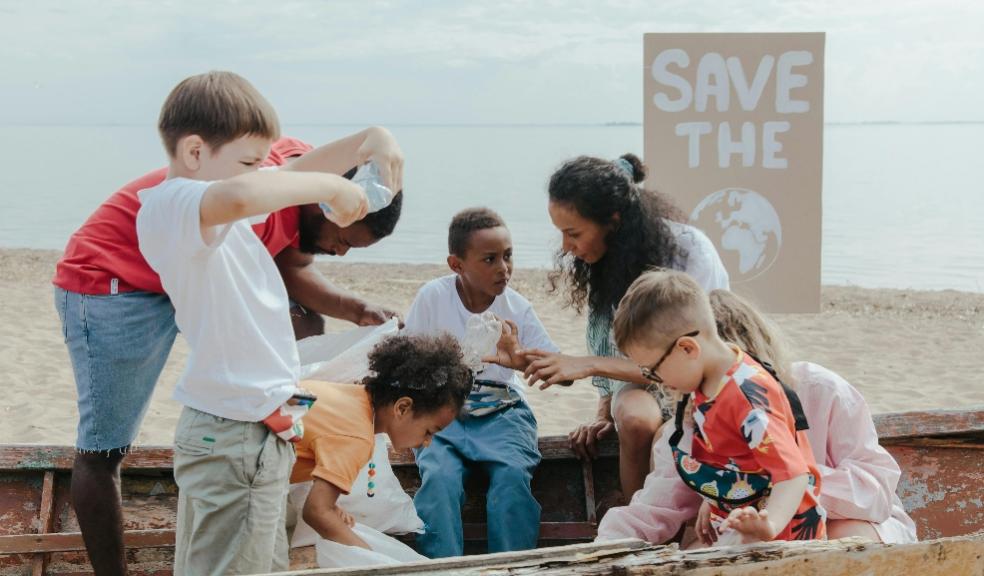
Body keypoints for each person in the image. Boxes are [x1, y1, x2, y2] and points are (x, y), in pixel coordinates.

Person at [53, 126, 402, 574]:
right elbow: (251, 204)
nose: (340, 253)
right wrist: (345, 171)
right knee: (104, 451)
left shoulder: (297, 180)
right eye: (345, 240)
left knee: (305, 324)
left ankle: (271, 458)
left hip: (191, 294)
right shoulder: (252, 200)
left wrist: (357, 308)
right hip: (113, 283)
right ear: (323, 206)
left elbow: (292, 266)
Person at [133, 70, 377, 574]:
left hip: (254, 432)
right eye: (247, 161)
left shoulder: (215, 216)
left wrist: (373, 143)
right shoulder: (173, 207)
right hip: (234, 436)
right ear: (195, 152)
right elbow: (245, 193)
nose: (256, 174)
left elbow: (276, 179)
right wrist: (332, 185)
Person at [597, 289, 917, 545]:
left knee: (849, 541)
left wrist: (765, 483)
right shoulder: (690, 421)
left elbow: (875, 494)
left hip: (850, 525)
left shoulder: (822, 391)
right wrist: (601, 549)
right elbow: (653, 509)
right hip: (752, 538)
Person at [519, 153, 729, 498]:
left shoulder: (690, 253)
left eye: (573, 233)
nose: (565, 247)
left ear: (613, 221)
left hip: (705, 382)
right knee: (634, 419)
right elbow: (605, 341)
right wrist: (604, 412)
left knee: (669, 434)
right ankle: (638, 525)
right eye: (561, 233)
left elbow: (692, 362)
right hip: (644, 381)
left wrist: (587, 366)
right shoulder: (607, 259)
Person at [609, 270, 826, 543]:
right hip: (740, 525)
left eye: (653, 370)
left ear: (687, 348)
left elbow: (793, 475)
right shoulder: (709, 383)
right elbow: (735, 456)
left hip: (782, 538)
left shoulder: (748, 398)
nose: (657, 381)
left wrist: (769, 524)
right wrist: (711, 500)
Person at [403, 208, 564, 557]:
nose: (503, 268)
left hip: (503, 411)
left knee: (511, 479)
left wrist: (521, 359)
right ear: (456, 264)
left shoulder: (517, 308)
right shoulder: (433, 297)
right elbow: (408, 360)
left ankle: (511, 565)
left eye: (508, 256)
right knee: (439, 479)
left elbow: (559, 371)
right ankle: (442, 566)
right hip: (443, 412)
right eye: (489, 259)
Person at [290, 333, 473, 549]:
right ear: (402, 408)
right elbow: (315, 512)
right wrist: (372, 560)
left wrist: (330, 507)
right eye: (429, 431)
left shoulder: (352, 395)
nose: (427, 443)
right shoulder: (356, 436)